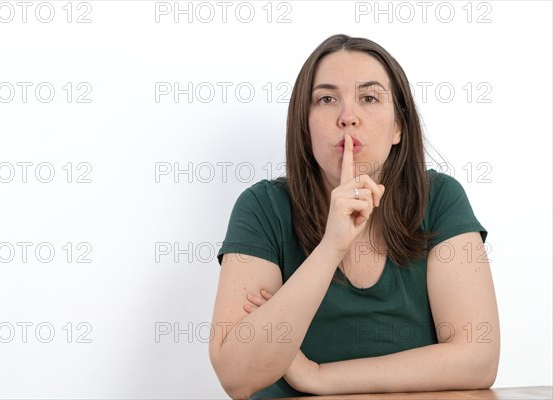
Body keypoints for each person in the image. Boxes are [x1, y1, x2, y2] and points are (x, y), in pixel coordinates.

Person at [208, 34, 500, 399]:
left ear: (399, 128)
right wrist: (332, 245)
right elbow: (237, 376)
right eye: (327, 99)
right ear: (305, 126)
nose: (347, 117)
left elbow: (478, 358)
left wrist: (315, 376)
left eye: (369, 98)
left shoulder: (440, 199)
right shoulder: (262, 208)